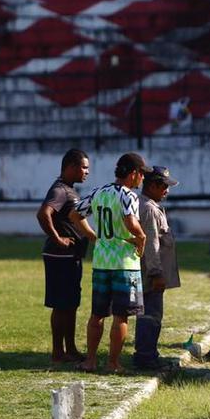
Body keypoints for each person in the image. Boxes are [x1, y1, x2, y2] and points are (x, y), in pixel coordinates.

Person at [76, 153, 148, 373]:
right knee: (121, 316)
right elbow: (130, 221)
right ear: (134, 174)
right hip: (125, 264)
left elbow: (75, 214)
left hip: (101, 262)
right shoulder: (129, 195)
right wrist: (141, 237)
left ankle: (90, 360)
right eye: (142, 175)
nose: (142, 179)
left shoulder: (98, 192)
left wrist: (92, 235)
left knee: (97, 314)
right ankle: (113, 363)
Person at [36, 148, 96, 364]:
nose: (87, 172)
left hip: (71, 256)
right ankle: (58, 352)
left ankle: (69, 349)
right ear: (70, 166)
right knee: (61, 304)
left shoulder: (69, 189)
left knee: (70, 304)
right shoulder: (60, 190)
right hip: (60, 256)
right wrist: (58, 238)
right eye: (84, 167)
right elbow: (43, 214)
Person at [133, 165, 181, 371]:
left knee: (148, 314)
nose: (167, 191)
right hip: (150, 274)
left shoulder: (144, 204)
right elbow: (152, 244)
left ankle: (148, 353)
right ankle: (146, 357)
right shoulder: (149, 209)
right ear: (152, 185)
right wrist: (156, 273)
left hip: (146, 272)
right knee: (150, 315)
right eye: (163, 186)